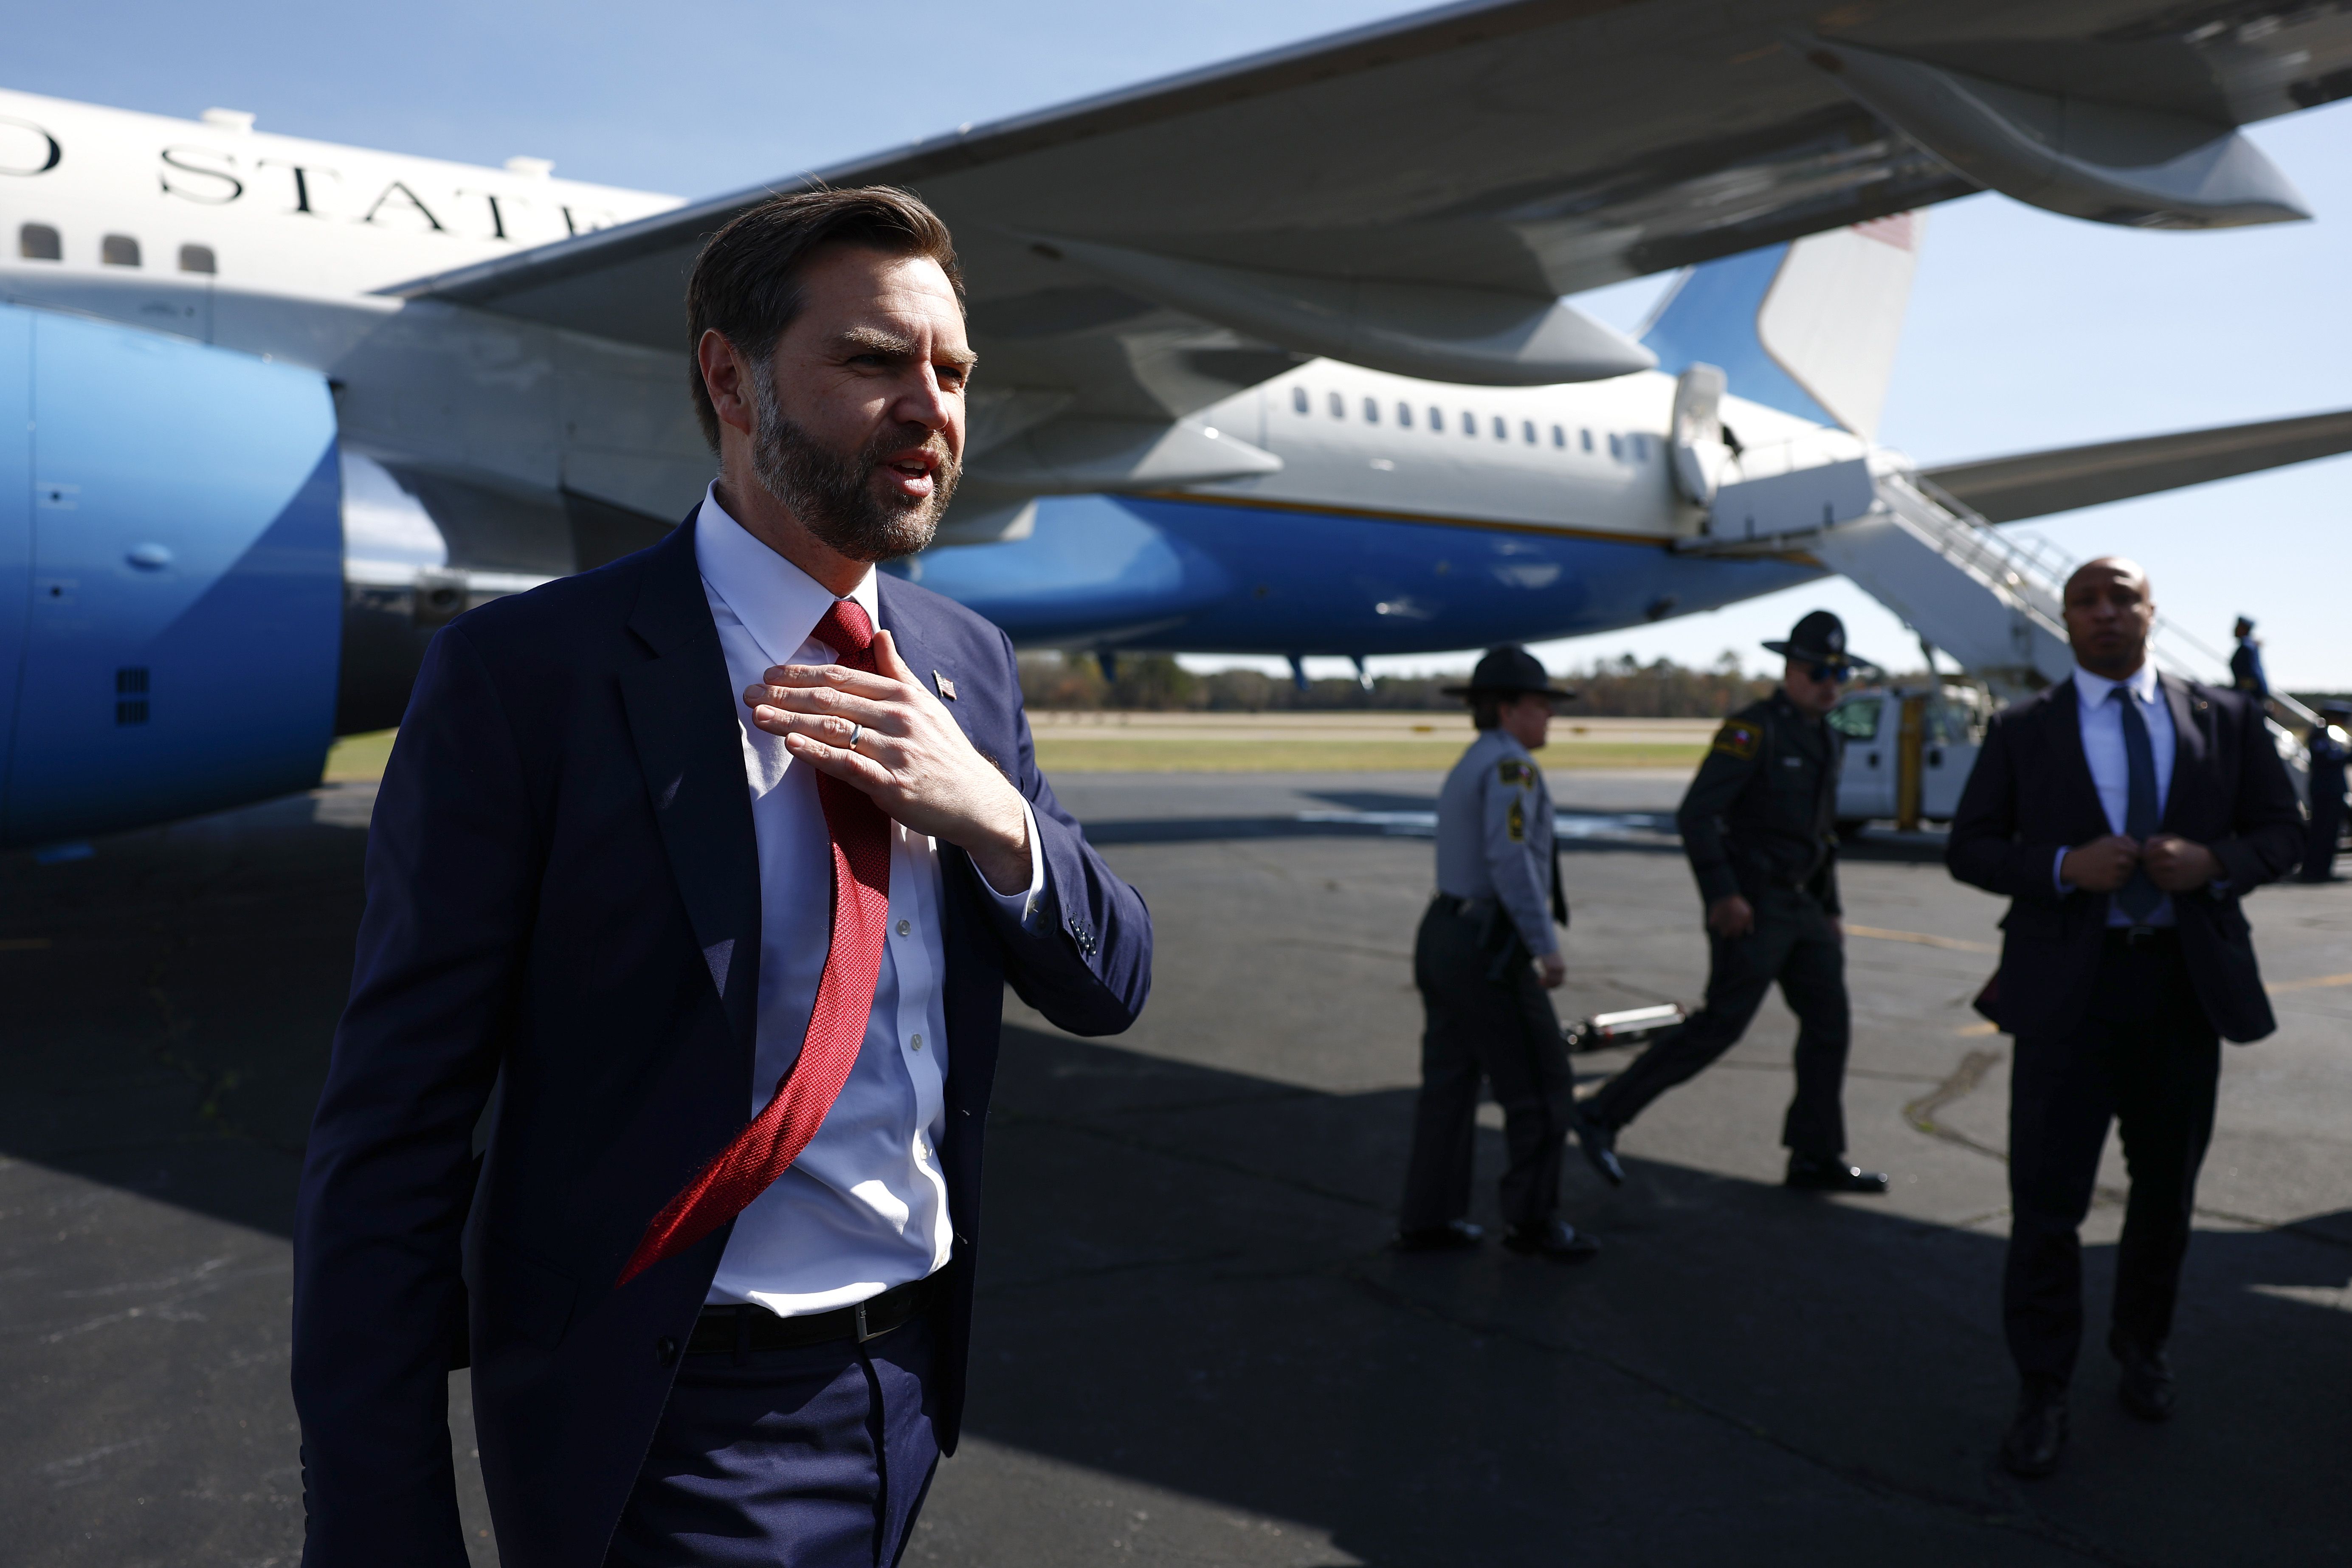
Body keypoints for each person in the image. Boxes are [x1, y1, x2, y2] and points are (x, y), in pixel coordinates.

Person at [291, 189, 1153, 1568]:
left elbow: (1112, 983)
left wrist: (998, 822)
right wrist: (379, 1528)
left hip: (910, 1383)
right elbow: (390, 1137)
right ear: (728, 380)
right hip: (675, 1416)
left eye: (953, 371)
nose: (930, 406)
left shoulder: (963, 664)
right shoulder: (531, 678)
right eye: (873, 362)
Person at [1948, 557, 2300, 1481]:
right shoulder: (2026, 728)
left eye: (2123, 599)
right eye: (2086, 601)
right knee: (2046, 1202)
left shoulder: (2226, 719)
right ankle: (2042, 1388)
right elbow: (1971, 846)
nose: (2105, 614)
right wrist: (2063, 865)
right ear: (2064, 619)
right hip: (2069, 995)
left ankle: (2141, 1348)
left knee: (2164, 1195)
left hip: (2180, 992)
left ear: (2153, 611)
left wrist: (2213, 860)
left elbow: (2284, 833)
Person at [1573, 611, 1888, 1196]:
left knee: (1829, 1025)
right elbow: (1696, 815)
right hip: (1754, 907)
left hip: (1806, 909)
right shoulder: (1752, 731)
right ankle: (1601, 1114)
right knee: (1719, 1025)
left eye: (1838, 672)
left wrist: (1831, 906)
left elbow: (1821, 835)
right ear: (1791, 670)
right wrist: (1722, 893)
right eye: (1819, 671)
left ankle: (1814, 1155)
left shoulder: (1825, 735)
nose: (1829, 683)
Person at [1396, 645, 1599, 1261]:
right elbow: (1510, 863)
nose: (1548, 719)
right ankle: (1533, 1223)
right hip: (1486, 943)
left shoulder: (1472, 760)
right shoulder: (1512, 769)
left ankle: (1429, 1217)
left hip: (1443, 931)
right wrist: (1546, 949)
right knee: (1541, 1084)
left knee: (1449, 1083)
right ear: (1508, 710)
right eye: (1540, 706)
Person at [2299, 700, 2350, 882]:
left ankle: (2322, 871)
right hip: (2325, 793)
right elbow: (2329, 760)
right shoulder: (2319, 736)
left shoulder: (2328, 736)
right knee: (2322, 833)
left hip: (2332, 792)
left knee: (2330, 833)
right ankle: (2314, 872)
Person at [2229, 617, 2269, 705]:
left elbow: (2251, 672)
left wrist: (2239, 691)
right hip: (2253, 692)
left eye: (2238, 627)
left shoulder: (2246, 647)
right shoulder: (2250, 645)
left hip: (2252, 694)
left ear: (2244, 629)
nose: (2235, 629)